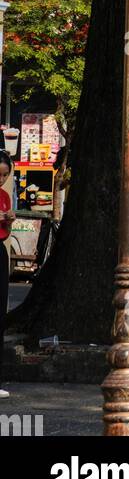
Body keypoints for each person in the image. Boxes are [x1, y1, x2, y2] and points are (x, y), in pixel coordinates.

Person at [0, 150, 14, 398]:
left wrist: (9, 220)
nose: (0, 179)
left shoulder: (4, 197)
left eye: (4, 175)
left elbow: (6, 232)